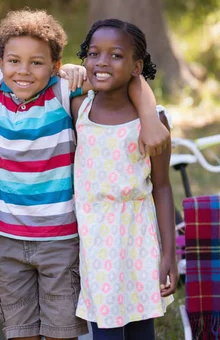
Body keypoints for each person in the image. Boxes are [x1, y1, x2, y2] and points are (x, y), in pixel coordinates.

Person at [0, 9, 170, 340]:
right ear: (1, 61)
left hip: (61, 236)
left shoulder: (65, 92)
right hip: (7, 235)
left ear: (55, 66)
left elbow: (126, 77)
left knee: (63, 330)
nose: (23, 70)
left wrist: (149, 116)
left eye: (36, 62)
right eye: (14, 61)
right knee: (19, 329)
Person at [71, 19, 178, 340]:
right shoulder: (78, 109)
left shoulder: (154, 122)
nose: (102, 62)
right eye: (93, 53)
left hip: (138, 237)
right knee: (105, 330)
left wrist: (169, 253)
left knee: (141, 327)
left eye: (116, 55)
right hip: (94, 240)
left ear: (136, 66)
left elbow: (162, 187)